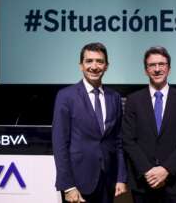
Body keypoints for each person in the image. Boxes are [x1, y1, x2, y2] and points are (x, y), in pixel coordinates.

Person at [52, 42, 127, 203]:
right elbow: (60, 145)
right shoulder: (66, 96)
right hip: (78, 184)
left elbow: (119, 141)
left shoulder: (114, 97)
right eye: (89, 61)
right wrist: (68, 186)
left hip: (108, 182)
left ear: (106, 66)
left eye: (99, 61)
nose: (94, 66)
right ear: (81, 65)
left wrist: (121, 177)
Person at [122, 46, 176, 203]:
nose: (157, 69)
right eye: (152, 65)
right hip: (143, 183)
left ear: (169, 68)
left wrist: (166, 170)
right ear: (145, 70)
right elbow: (128, 140)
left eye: (161, 64)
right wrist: (148, 171)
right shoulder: (133, 100)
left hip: (175, 183)